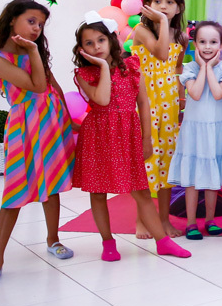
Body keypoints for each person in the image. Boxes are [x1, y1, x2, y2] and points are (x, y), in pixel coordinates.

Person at [0, 0, 77, 287]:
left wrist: (67, 119)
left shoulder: (34, 51)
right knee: (15, 192)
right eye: (31, 21)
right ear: (12, 19)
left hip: (52, 121)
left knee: (52, 184)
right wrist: (33, 51)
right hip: (26, 126)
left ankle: (53, 239)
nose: (36, 29)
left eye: (40, 24)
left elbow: (52, 84)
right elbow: (37, 86)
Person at [71, 13, 190, 260]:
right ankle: (108, 243)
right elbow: (102, 99)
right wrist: (104, 67)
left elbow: (143, 103)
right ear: (81, 49)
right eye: (89, 43)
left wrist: (147, 139)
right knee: (98, 193)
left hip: (128, 134)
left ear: (111, 40)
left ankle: (163, 242)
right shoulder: (85, 73)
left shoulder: (133, 66)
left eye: (101, 40)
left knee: (141, 191)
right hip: (98, 136)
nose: (96, 46)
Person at [131, 0, 188, 239]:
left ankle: (164, 220)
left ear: (179, 8)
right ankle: (142, 219)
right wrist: (163, 23)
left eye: (169, 2)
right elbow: (161, 53)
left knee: (167, 162)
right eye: (157, 1)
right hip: (146, 101)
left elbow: (176, 67)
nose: (163, 6)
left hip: (169, 104)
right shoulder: (141, 31)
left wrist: (181, 98)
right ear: (147, 6)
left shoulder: (182, 37)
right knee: (145, 161)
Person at [168, 21, 222, 240]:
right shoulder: (189, 68)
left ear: (221, 45)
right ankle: (191, 222)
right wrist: (204, 67)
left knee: (212, 177)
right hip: (194, 130)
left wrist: (210, 67)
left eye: (213, 42)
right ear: (195, 44)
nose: (207, 47)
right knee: (193, 178)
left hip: (216, 130)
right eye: (202, 42)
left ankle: (210, 220)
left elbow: (218, 93)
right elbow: (194, 93)